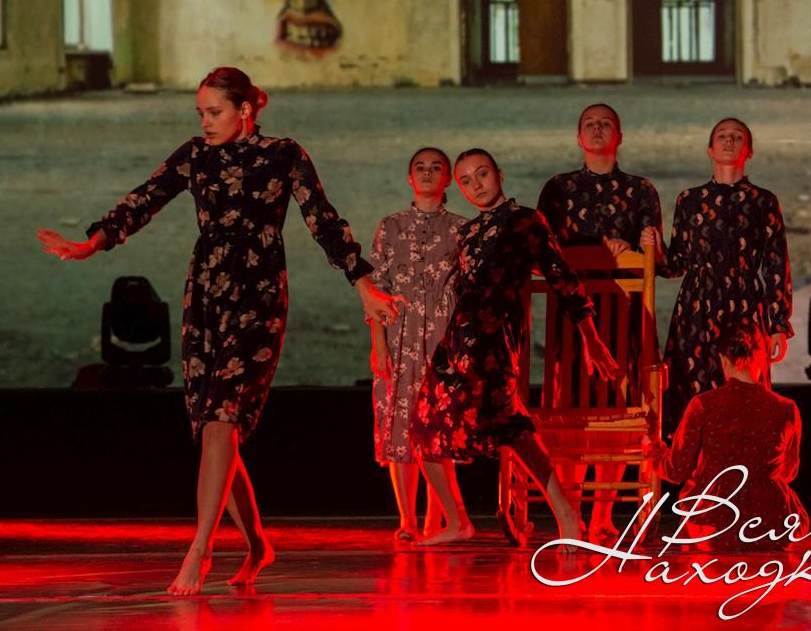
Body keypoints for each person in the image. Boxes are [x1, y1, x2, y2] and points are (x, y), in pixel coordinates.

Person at [37, 67, 404, 595]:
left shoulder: (284, 155)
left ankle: (201, 548)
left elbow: (323, 220)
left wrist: (362, 283)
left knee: (222, 420)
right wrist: (91, 243)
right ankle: (257, 545)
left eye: (215, 112)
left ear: (245, 110)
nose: (205, 122)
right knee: (215, 428)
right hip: (206, 296)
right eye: (201, 113)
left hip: (259, 295)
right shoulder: (196, 155)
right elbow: (144, 199)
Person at [409, 148, 618, 548]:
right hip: (457, 340)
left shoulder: (525, 221)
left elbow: (561, 277)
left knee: (511, 426)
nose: (476, 185)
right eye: (466, 180)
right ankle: (457, 521)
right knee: (422, 422)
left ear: (499, 174)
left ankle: (565, 514)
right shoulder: (467, 232)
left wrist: (590, 338)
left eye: (482, 174)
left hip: (494, 339)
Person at [536, 103, 666, 540]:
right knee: (569, 413)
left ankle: (602, 515)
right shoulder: (558, 188)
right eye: (589, 124)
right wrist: (596, 246)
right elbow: (545, 250)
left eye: (605, 123)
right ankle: (571, 512)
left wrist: (645, 245)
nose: (597, 129)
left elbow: (657, 260)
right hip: (572, 322)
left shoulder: (641, 190)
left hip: (624, 317)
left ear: (620, 135)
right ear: (578, 137)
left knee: (617, 411)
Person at [643, 118, 792, 436]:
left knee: (746, 395)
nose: (729, 141)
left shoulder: (764, 201)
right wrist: (656, 250)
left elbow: (776, 264)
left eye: (737, 137)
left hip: (745, 306)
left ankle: (744, 466)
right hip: (697, 307)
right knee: (693, 394)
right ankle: (690, 464)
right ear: (710, 149)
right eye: (722, 136)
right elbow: (676, 265)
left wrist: (779, 324)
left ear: (749, 151)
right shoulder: (689, 200)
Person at [369, 148, 465, 541]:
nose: (427, 173)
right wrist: (378, 344)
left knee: (438, 430)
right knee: (399, 425)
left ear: (448, 179)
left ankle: (436, 519)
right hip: (399, 336)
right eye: (420, 168)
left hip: (442, 339)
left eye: (436, 168)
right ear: (410, 178)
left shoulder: (461, 229)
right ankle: (407, 520)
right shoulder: (390, 226)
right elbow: (376, 289)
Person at [644, 323, 808, 551]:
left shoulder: (704, 405)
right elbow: (788, 471)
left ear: (722, 359)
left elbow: (676, 470)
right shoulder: (786, 408)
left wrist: (652, 449)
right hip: (772, 527)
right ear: (764, 359)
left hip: (714, 526)